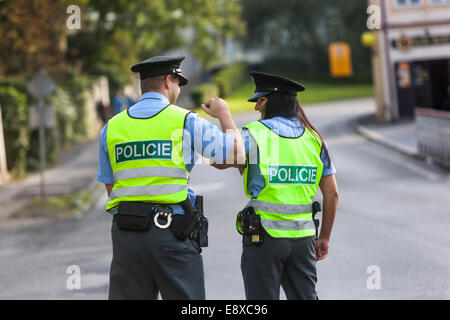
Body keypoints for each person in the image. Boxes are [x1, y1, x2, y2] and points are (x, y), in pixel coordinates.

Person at [96, 55, 244, 300]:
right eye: (178, 83)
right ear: (168, 81)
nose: (178, 90)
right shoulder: (184, 120)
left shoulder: (112, 127)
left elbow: (111, 186)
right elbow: (237, 155)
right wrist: (224, 114)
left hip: (126, 237)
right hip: (171, 232)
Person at [213, 71, 338, 300]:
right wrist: (325, 237)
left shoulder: (255, 134)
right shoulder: (314, 138)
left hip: (265, 240)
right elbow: (332, 194)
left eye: (259, 100)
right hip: (304, 241)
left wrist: (223, 114)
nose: (256, 107)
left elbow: (218, 159)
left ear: (271, 100)